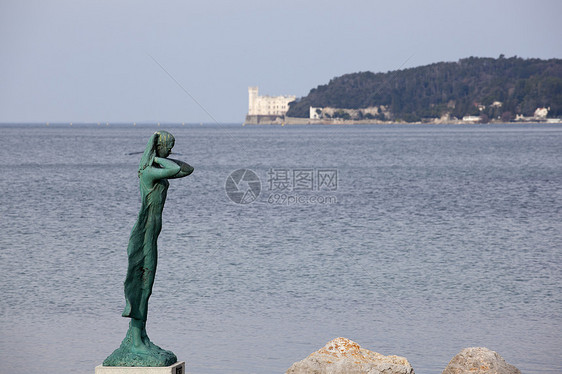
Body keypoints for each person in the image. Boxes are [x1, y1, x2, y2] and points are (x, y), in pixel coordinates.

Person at [122, 130, 193, 354]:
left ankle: (141, 335)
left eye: (172, 147)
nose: (171, 150)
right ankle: (135, 340)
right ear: (157, 147)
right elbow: (173, 169)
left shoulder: (156, 168)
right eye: (168, 146)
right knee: (141, 283)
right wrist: (157, 158)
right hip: (143, 235)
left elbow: (187, 169)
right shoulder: (148, 172)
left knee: (147, 285)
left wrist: (160, 156)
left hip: (152, 235)